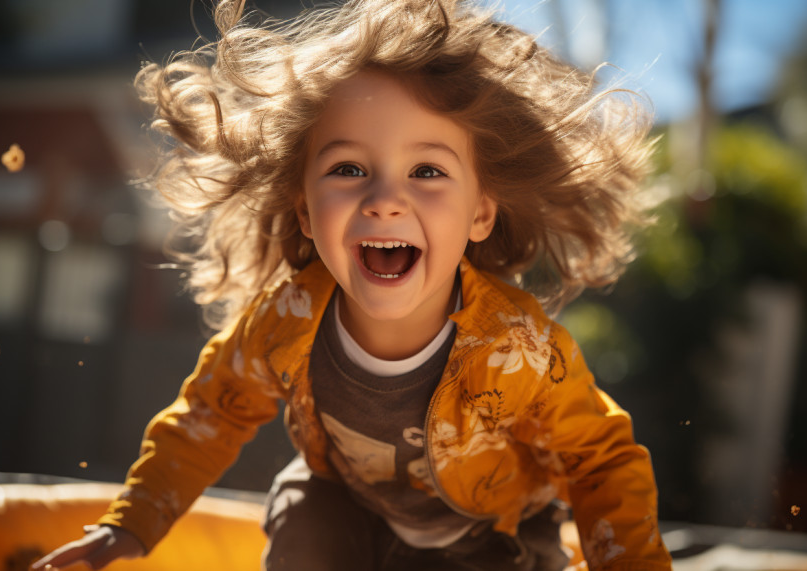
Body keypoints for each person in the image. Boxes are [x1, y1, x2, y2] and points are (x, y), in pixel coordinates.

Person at [33, 0, 671, 569]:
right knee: (306, 518)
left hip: (490, 533)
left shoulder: (519, 350)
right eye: (348, 168)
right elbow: (209, 413)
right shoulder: (286, 320)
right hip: (344, 509)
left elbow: (600, 458)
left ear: (481, 211)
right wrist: (131, 526)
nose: (385, 199)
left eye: (426, 170)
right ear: (307, 210)